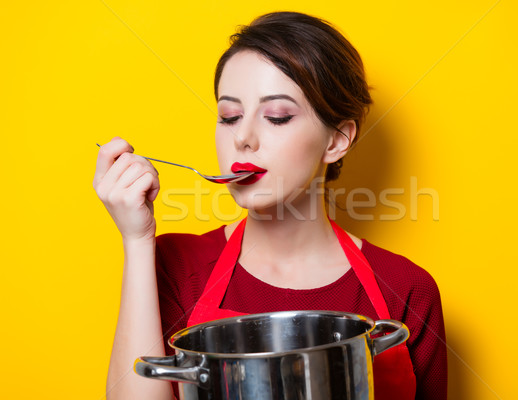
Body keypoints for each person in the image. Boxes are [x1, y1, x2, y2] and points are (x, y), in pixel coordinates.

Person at [94, 11, 446, 400]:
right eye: (229, 116)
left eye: (277, 117)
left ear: (337, 140)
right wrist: (137, 240)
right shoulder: (176, 265)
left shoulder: (406, 289)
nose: (242, 138)